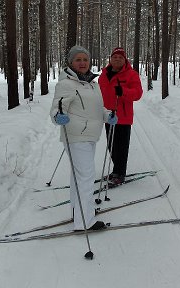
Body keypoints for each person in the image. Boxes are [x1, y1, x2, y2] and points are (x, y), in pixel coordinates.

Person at [50, 45, 117, 231]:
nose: (82, 63)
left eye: (85, 59)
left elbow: (98, 108)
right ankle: (84, 221)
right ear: (71, 62)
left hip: (90, 136)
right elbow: (56, 109)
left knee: (78, 177)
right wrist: (58, 117)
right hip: (75, 136)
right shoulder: (66, 84)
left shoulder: (92, 84)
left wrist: (107, 115)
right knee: (86, 178)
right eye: (78, 60)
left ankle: (78, 211)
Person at [98, 47, 143, 186]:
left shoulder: (131, 74)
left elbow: (137, 93)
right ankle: (115, 171)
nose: (117, 59)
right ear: (110, 59)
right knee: (112, 146)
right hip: (108, 116)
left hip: (122, 117)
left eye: (120, 57)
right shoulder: (104, 74)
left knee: (121, 148)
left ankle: (120, 174)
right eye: (115, 57)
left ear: (125, 60)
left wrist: (123, 91)